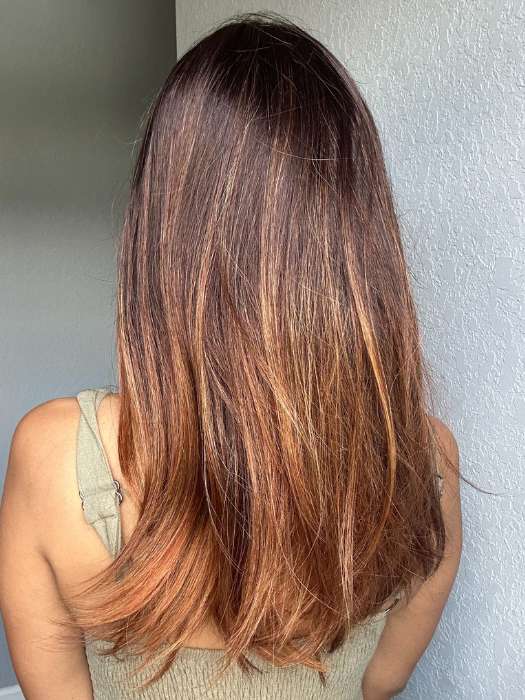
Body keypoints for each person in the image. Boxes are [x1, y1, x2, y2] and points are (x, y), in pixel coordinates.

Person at [0, 11, 461, 700]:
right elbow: (381, 680)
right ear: (358, 236)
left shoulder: (56, 456)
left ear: (161, 230)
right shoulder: (424, 464)